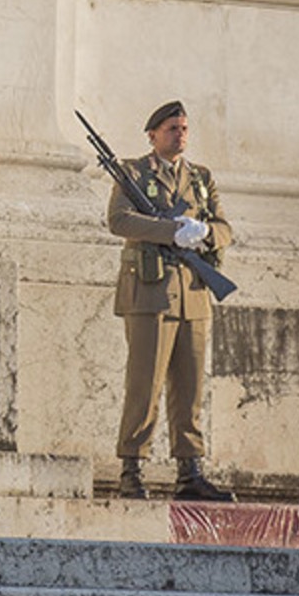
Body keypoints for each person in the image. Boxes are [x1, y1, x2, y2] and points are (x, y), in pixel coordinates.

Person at [107, 100, 235, 501]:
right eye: (171, 129)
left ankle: (189, 472)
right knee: (144, 386)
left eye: (183, 128)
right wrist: (170, 232)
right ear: (153, 135)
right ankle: (132, 468)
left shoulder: (200, 178)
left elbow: (225, 228)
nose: (180, 135)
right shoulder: (133, 173)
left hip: (193, 294)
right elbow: (119, 220)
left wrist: (204, 233)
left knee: (190, 387)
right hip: (151, 294)